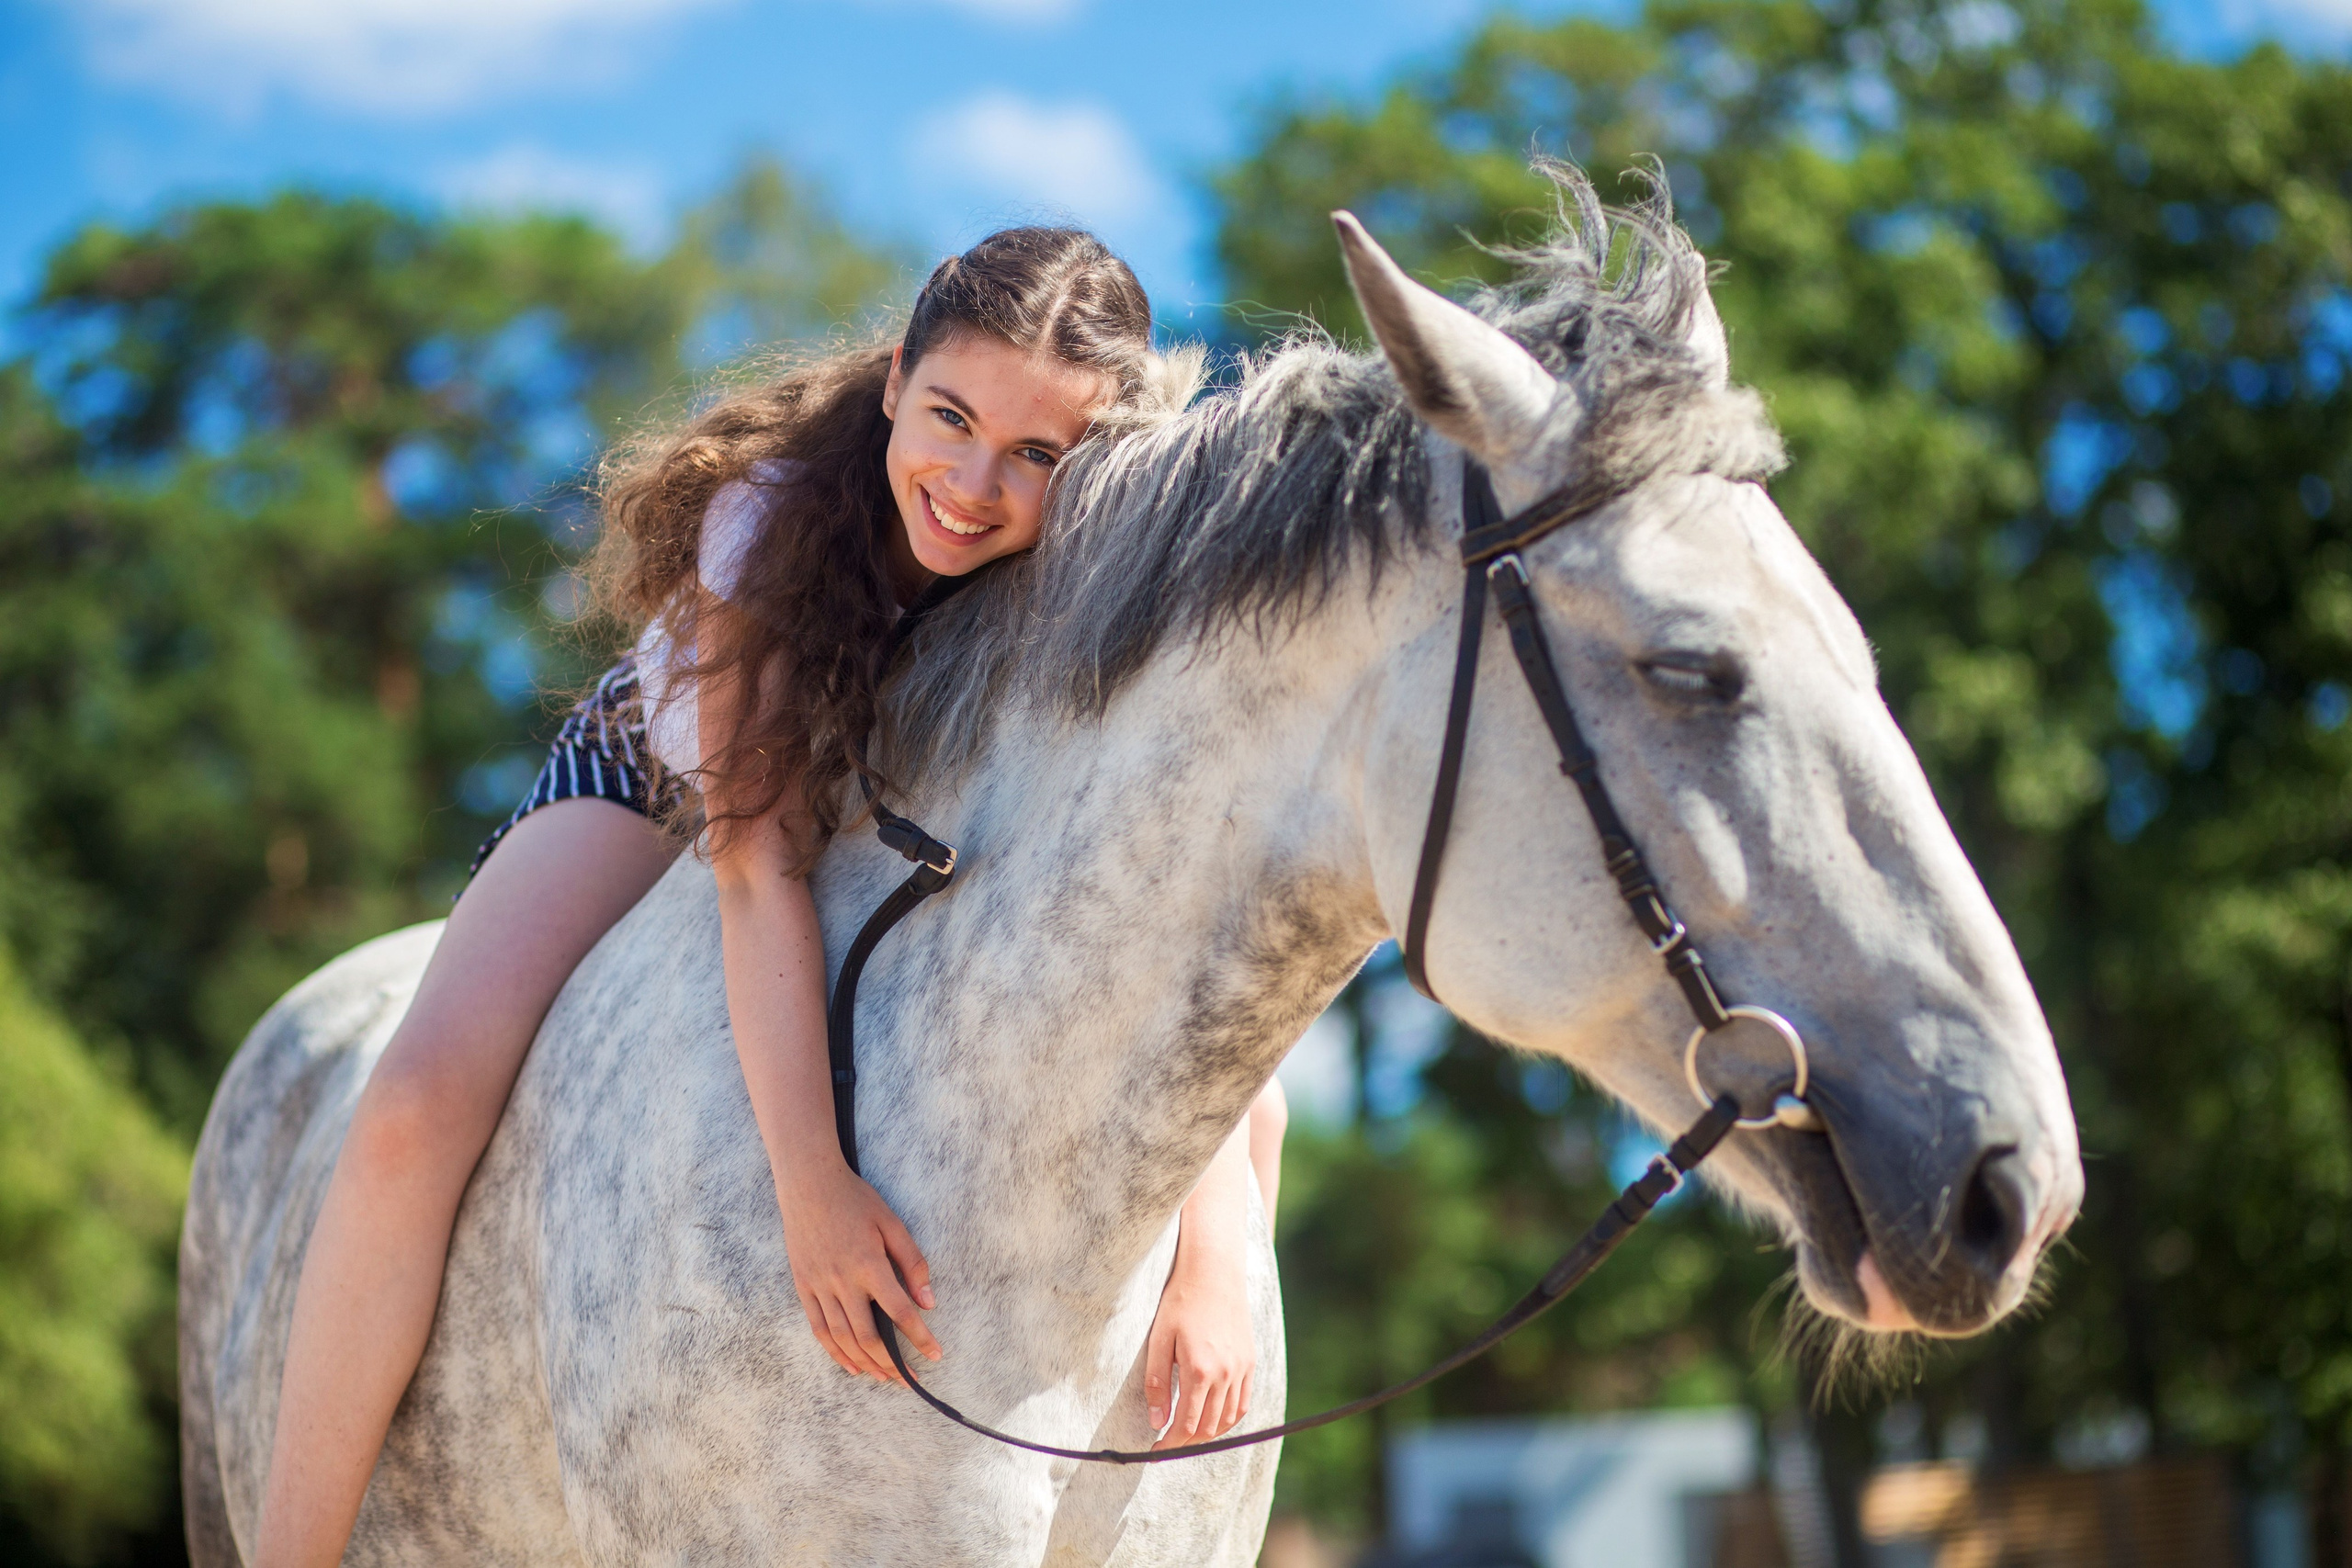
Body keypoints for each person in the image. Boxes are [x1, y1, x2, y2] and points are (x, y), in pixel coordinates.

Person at [254, 227, 1289, 1568]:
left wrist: (1214, 1261)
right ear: (899, 376)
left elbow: (1161, 917)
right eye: (951, 417)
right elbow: (753, 870)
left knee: (1255, 1080)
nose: (974, 485)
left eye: (1037, 453)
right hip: (673, 787)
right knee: (414, 1103)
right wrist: (813, 1191)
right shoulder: (771, 514)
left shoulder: (1099, 558)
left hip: (910, 794)